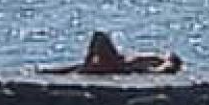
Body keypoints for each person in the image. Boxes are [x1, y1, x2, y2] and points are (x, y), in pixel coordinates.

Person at [39, 31, 182, 75]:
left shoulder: (161, 61)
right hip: (118, 64)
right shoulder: (157, 59)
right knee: (77, 67)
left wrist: (154, 70)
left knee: (100, 37)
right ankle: (50, 71)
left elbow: (164, 69)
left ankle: (85, 64)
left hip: (119, 65)